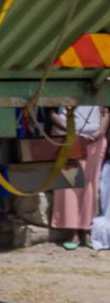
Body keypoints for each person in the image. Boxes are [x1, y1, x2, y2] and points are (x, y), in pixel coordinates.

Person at [47, 105, 106, 249]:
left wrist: (100, 132)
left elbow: (105, 111)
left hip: (94, 140)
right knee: (69, 183)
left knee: (90, 184)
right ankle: (71, 231)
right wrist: (71, 131)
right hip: (68, 138)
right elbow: (51, 113)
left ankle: (86, 229)